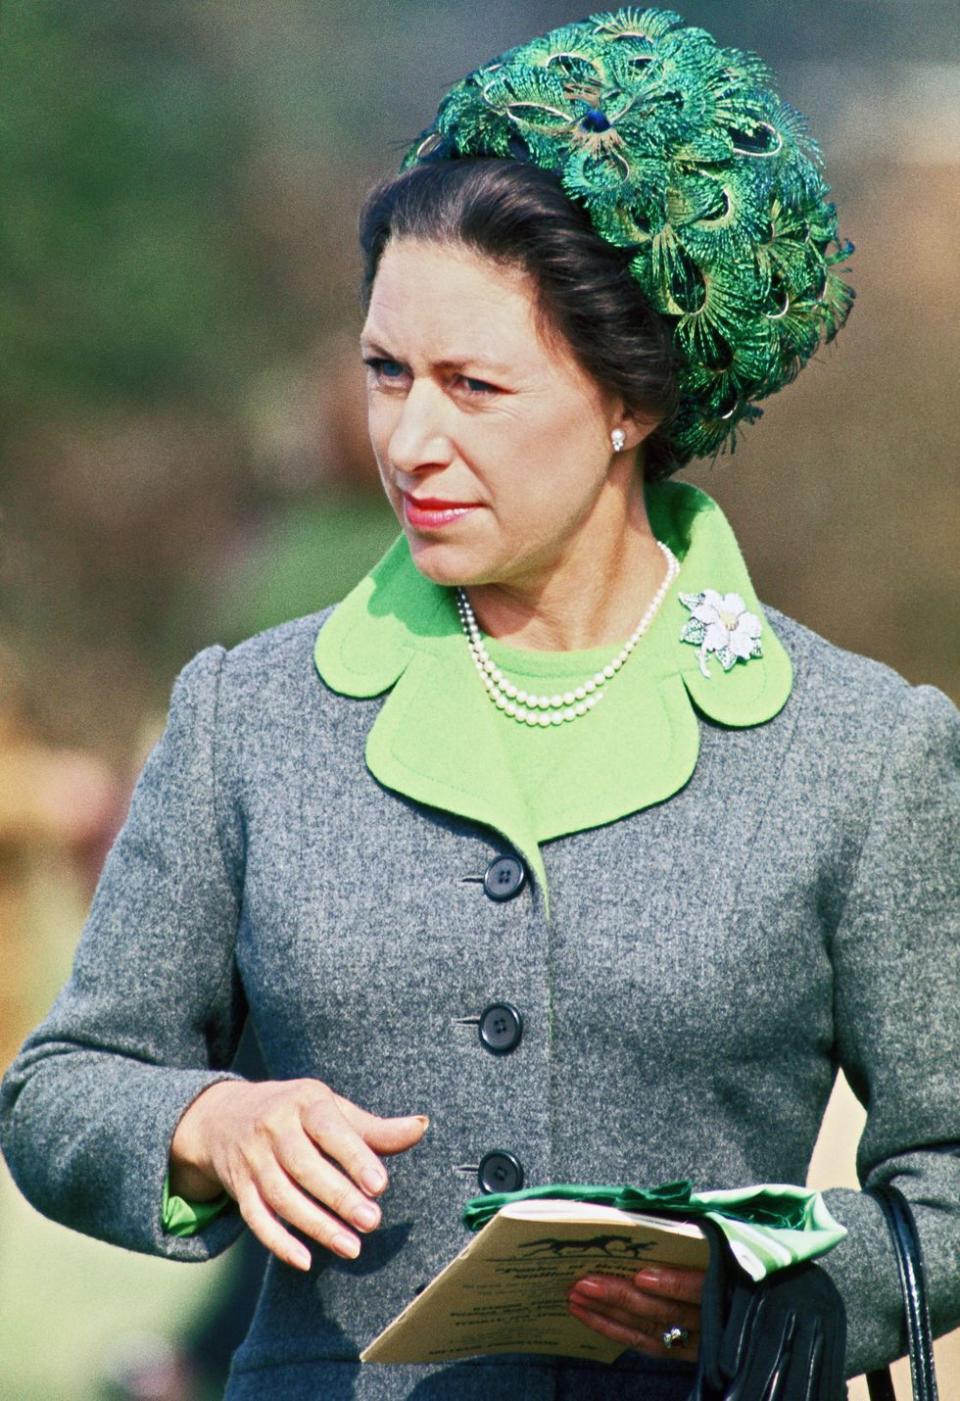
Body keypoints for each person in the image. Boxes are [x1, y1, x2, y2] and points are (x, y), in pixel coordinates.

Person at [2, 9, 959, 1398]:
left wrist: (786, 1284)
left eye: (473, 386)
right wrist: (207, 1118)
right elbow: (60, 1082)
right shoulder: (249, 715)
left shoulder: (860, 751)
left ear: (631, 400)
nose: (407, 439)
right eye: (387, 374)